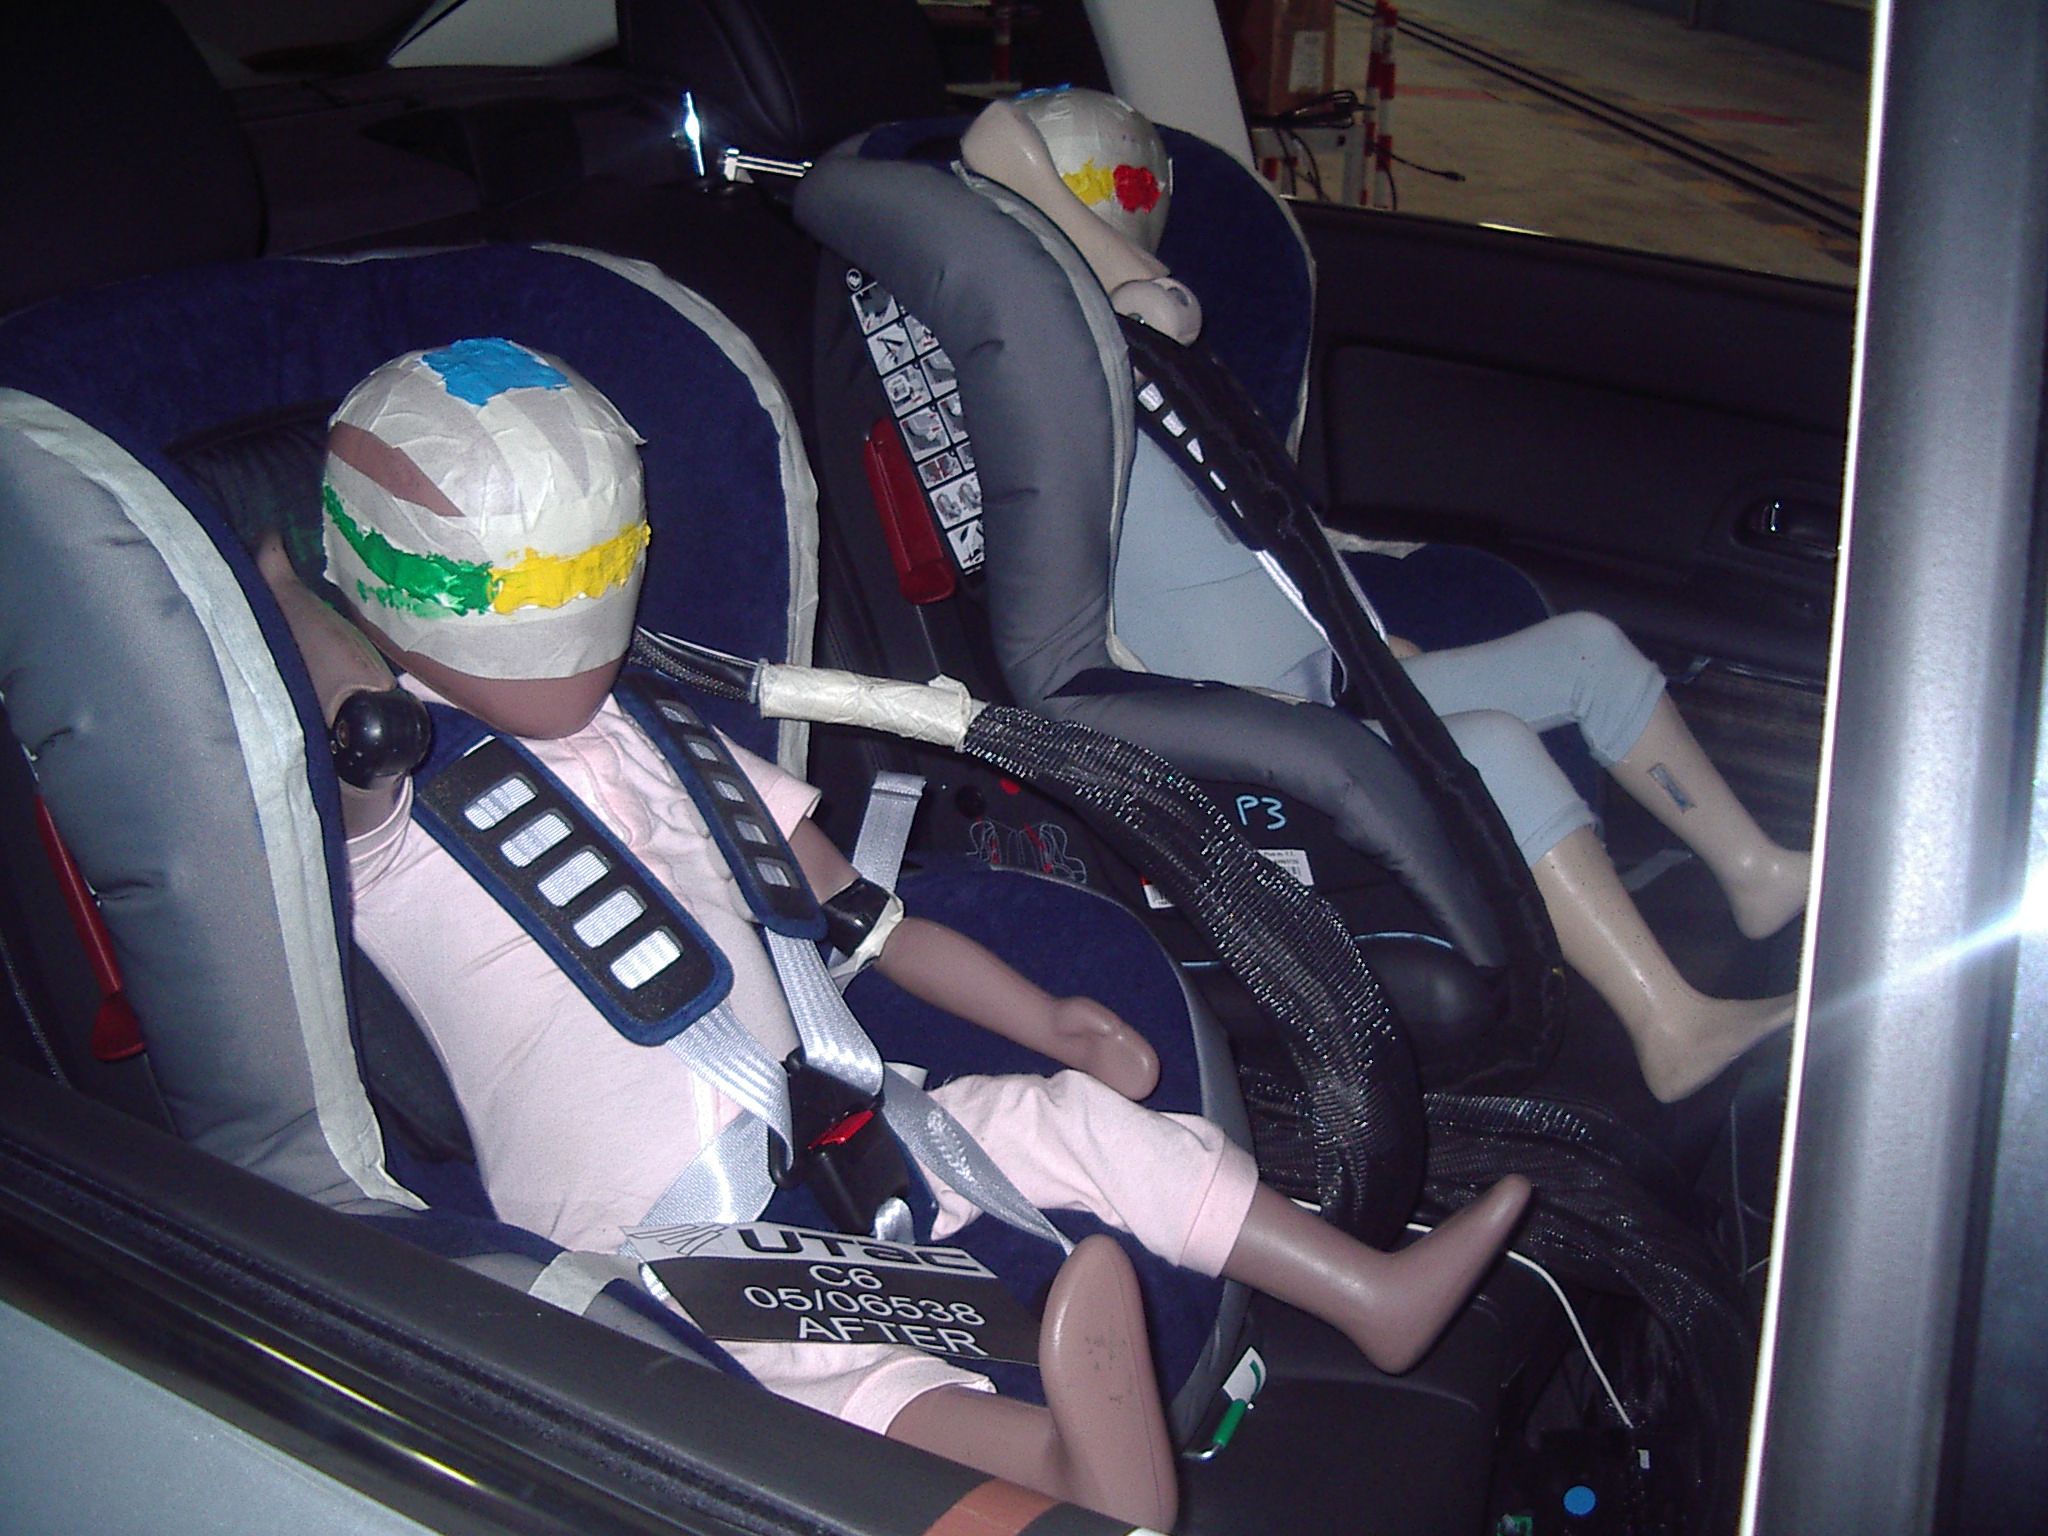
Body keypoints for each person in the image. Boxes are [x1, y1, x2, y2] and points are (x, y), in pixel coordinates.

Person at [266, 336, 1532, 1530]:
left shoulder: (673, 741)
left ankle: (1366, 1291)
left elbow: (863, 919)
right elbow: (346, 705)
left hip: (838, 1117)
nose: (577, 611)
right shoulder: (397, 802)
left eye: (600, 564)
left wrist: (1044, 1020)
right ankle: (1060, 1467)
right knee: (820, 1364)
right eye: (532, 585)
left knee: (1071, 1123)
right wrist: (282, 587)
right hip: (647, 1226)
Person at [960, 91, 1812, 1104]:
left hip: (1330, 682)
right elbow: (1156, 312)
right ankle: (1670, 1027)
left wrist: (1368, 636)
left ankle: (1756, 873)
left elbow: (1276, 546)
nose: (1130, 230)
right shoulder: (1062, 391)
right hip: (1255, 734)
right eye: (1094, 200)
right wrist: (1033, 200)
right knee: (1492, 744)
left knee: (1585, 649)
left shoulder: (1168, 389)